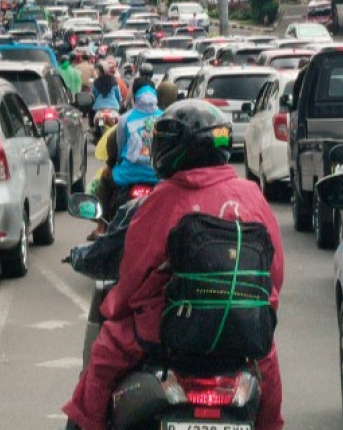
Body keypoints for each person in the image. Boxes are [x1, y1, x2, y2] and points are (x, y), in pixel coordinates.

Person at [63, 100, 285, 430]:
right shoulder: (252, 196)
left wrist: (117, 309)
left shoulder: (163, 200)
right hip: (243, 330)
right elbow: (275, 273)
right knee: (270, 391)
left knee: (102, 361)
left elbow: (134, 275)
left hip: (165, 331)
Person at [111, 84, 161, 190]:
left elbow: (120, 145)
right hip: (157, 176)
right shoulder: (164, 117)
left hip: (128, 175)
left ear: (136, 100)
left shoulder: (125, 118)